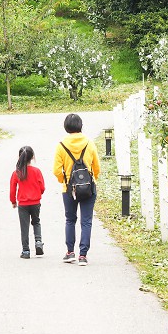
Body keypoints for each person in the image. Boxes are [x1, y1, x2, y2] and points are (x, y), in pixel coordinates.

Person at [53, 113, 100, 266]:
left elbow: (56, 170)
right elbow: (96, 166)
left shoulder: (61, 145)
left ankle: (70, 252)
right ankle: (83, 255)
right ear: (81, 126)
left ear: (66, 127)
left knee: (70, 219)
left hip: (69, 189)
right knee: (86, 221)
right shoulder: (89, 143)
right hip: (88, 187)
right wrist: (93, 179)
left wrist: (65, 181)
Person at [10, 145, 45, 259]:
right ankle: (38, 241)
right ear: (32, 157)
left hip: (23, 204)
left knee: (24, 227)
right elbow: (42, 187)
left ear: (19, 157)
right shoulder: (37, 171)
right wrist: (38, 194)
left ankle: (26, 251)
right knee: (36, 222)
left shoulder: (17, 173)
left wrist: (13, 201)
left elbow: (12, 188)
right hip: (35, 202)